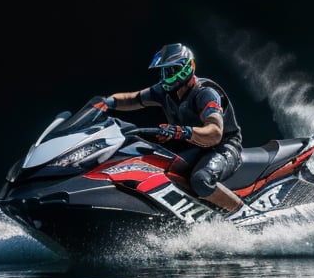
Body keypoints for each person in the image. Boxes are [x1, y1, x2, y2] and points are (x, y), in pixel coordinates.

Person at [96, 43, 249, 217]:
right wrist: (105, 103)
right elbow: (133, 99)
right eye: (163, 72)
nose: (164, 77)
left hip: (224, 147)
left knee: (201, 180)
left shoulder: (205, 93)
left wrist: (181, 131)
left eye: (169, 71)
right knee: (156, 167)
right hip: (195, 147)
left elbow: (215, 133)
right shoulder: (164, 92)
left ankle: (243, 215)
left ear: (184, 69)